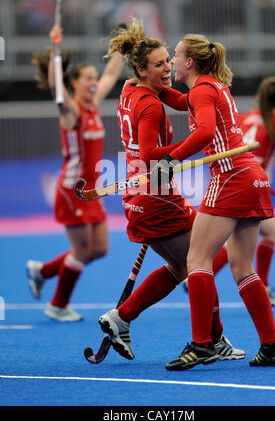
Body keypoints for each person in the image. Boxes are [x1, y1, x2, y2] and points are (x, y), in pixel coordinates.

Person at [98, 19, 245, 362]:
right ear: (140, 68)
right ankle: (212, 339)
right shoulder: (149, 105)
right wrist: (180, 152)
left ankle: (122, 317)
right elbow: (150, 156)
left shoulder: (133, 89)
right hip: (157, 195)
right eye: (159, 64)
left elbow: (184, 102)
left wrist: (209, 95)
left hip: (140, 195)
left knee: (183, 267)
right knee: (200, 262)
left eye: (169, 61)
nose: (167, 68)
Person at [152, 34, 275, 370]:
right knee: (242, 267)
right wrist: (147, 85)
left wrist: (173, 157)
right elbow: (181, 102)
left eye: (175, 55)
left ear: (190, 63)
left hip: (230, 178)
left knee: (197, 259)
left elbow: (206, 131)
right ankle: (271, 344)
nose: (170, 60)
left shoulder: (201, 90)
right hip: (252, 177)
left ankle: (201, 345)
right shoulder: (210, 87)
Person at [26, 24, 124, 321]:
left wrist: (122, 46)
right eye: (88, 79)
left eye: (95, 78)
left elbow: (110, 75)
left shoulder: (93, 105)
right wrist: (56, 50)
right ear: (75, 83)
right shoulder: (71, 111)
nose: (94, 83)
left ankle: (43, 271)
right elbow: (57, 90)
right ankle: (57, 305)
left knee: (100, 249)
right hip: (72, 190)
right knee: (82, 250)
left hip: (92, 190)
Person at [211, 74, 275, 306]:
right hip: (254, 186)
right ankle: (263, 285)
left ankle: (200, 276)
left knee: (249, 235)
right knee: (254, 238)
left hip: (235, 179)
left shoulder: (245, 117)